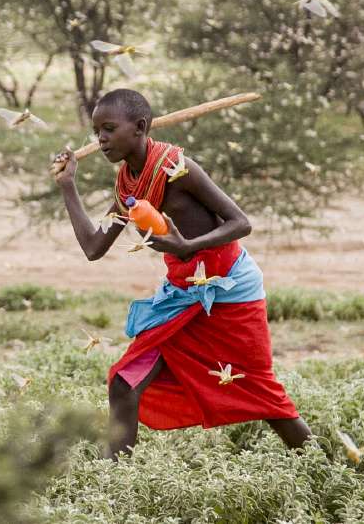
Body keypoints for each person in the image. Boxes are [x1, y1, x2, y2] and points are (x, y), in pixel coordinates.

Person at [49, 88, 311, 460]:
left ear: (140, 127)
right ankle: (111, 487)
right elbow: (94, 248)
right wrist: (68, 187)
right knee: (124, 383)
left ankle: (326, 468)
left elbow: (241, 223)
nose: (101, 139)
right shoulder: (128, 185)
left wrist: (188, 246)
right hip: (183, 293)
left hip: (231, 291)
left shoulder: (177, 169)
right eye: (97, 132)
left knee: (259, 392)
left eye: (109, 129)